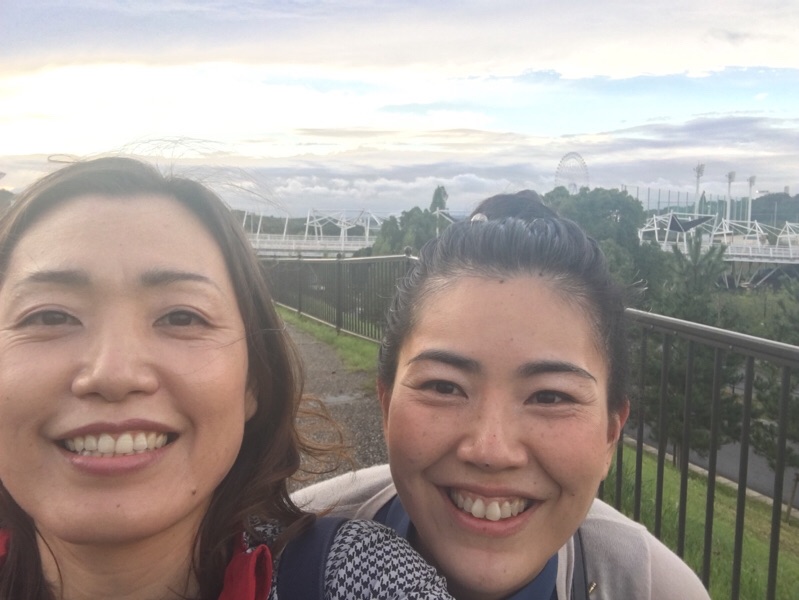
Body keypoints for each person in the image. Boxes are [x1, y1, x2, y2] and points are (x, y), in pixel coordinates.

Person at [0, 157, 453, 599]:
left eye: (181, 316)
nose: (113, 374)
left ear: (253, 380)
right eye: (49, 316)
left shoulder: (361, 580)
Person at [293, 191, 711, 599]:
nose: (491, 451)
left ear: (610, 435)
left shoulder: (653, 587)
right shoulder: (289, 558)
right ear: (386, 408)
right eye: (444, 387)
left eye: (549, 397)